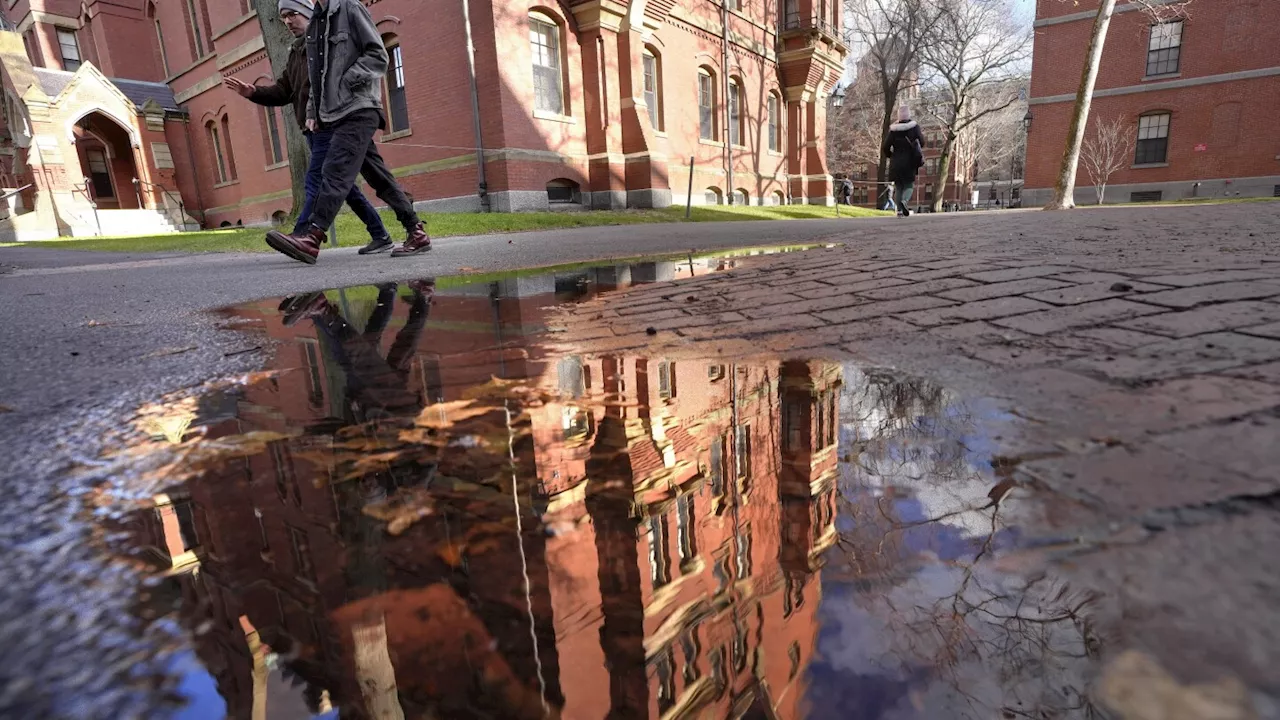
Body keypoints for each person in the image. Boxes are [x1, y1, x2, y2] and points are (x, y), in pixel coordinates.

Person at [264, 0, 430, 264]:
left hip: (359, 107)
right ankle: (416, 231)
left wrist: (346, 82)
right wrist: (312, 113)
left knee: (336, 170)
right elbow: (315, 78)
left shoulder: (350, 8)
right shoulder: (317, 22)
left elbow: (378, 54)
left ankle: (312, 237)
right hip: (333, 113)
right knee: (379, 177)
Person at [224, 0, 394, 255]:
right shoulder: (295, 53)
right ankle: (380, 234)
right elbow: (283, 91)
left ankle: (304, 234)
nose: (288, 22)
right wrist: (253, 92)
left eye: (292, 14)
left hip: (331, 123)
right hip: (311, 128)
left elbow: (340, 78)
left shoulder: (326, 45)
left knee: (318, 178)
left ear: (308, 13)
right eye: (283, 18)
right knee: (345, 187)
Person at [882, 105, 924, 217]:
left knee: (899, 186)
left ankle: (899, 211)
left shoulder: (893, 130)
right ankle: (905, 201)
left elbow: (885, 146)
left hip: (896, 161)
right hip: (910, 161)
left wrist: (891, 156)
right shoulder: (914, 127)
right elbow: (922, 142)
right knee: (909, 185)